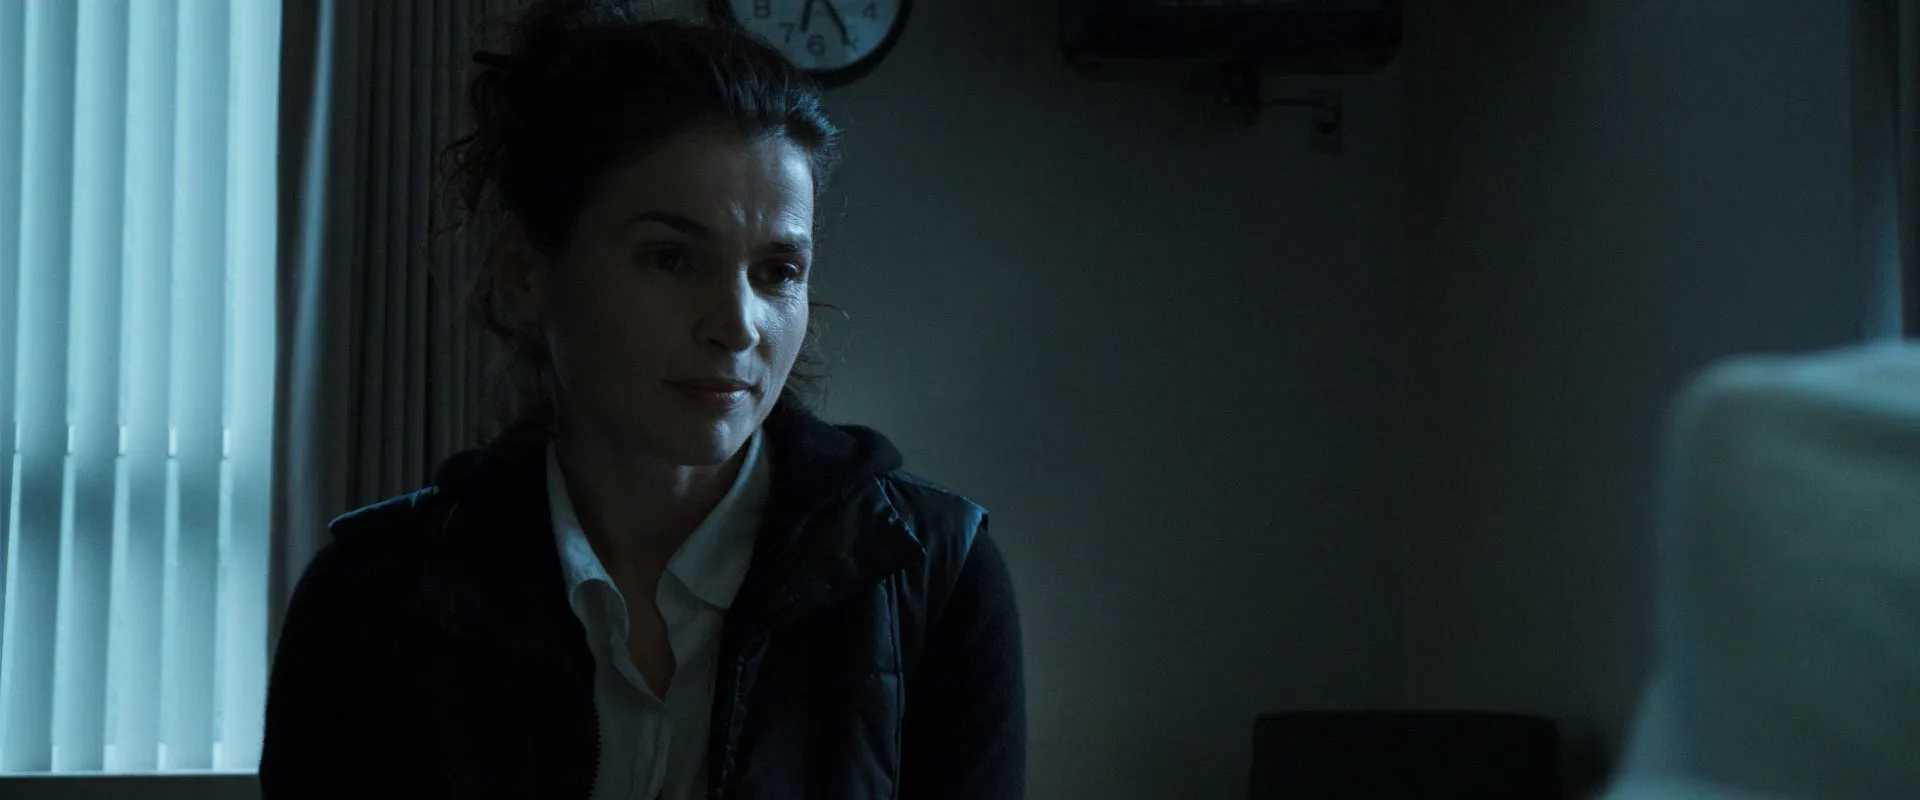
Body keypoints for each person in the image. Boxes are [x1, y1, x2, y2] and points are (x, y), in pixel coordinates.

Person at [257, 2, 1027, 798]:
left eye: (777, 273)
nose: (738, 325)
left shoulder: (935, 574)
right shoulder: (370, 592)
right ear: (526, 272)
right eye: (671, 259)